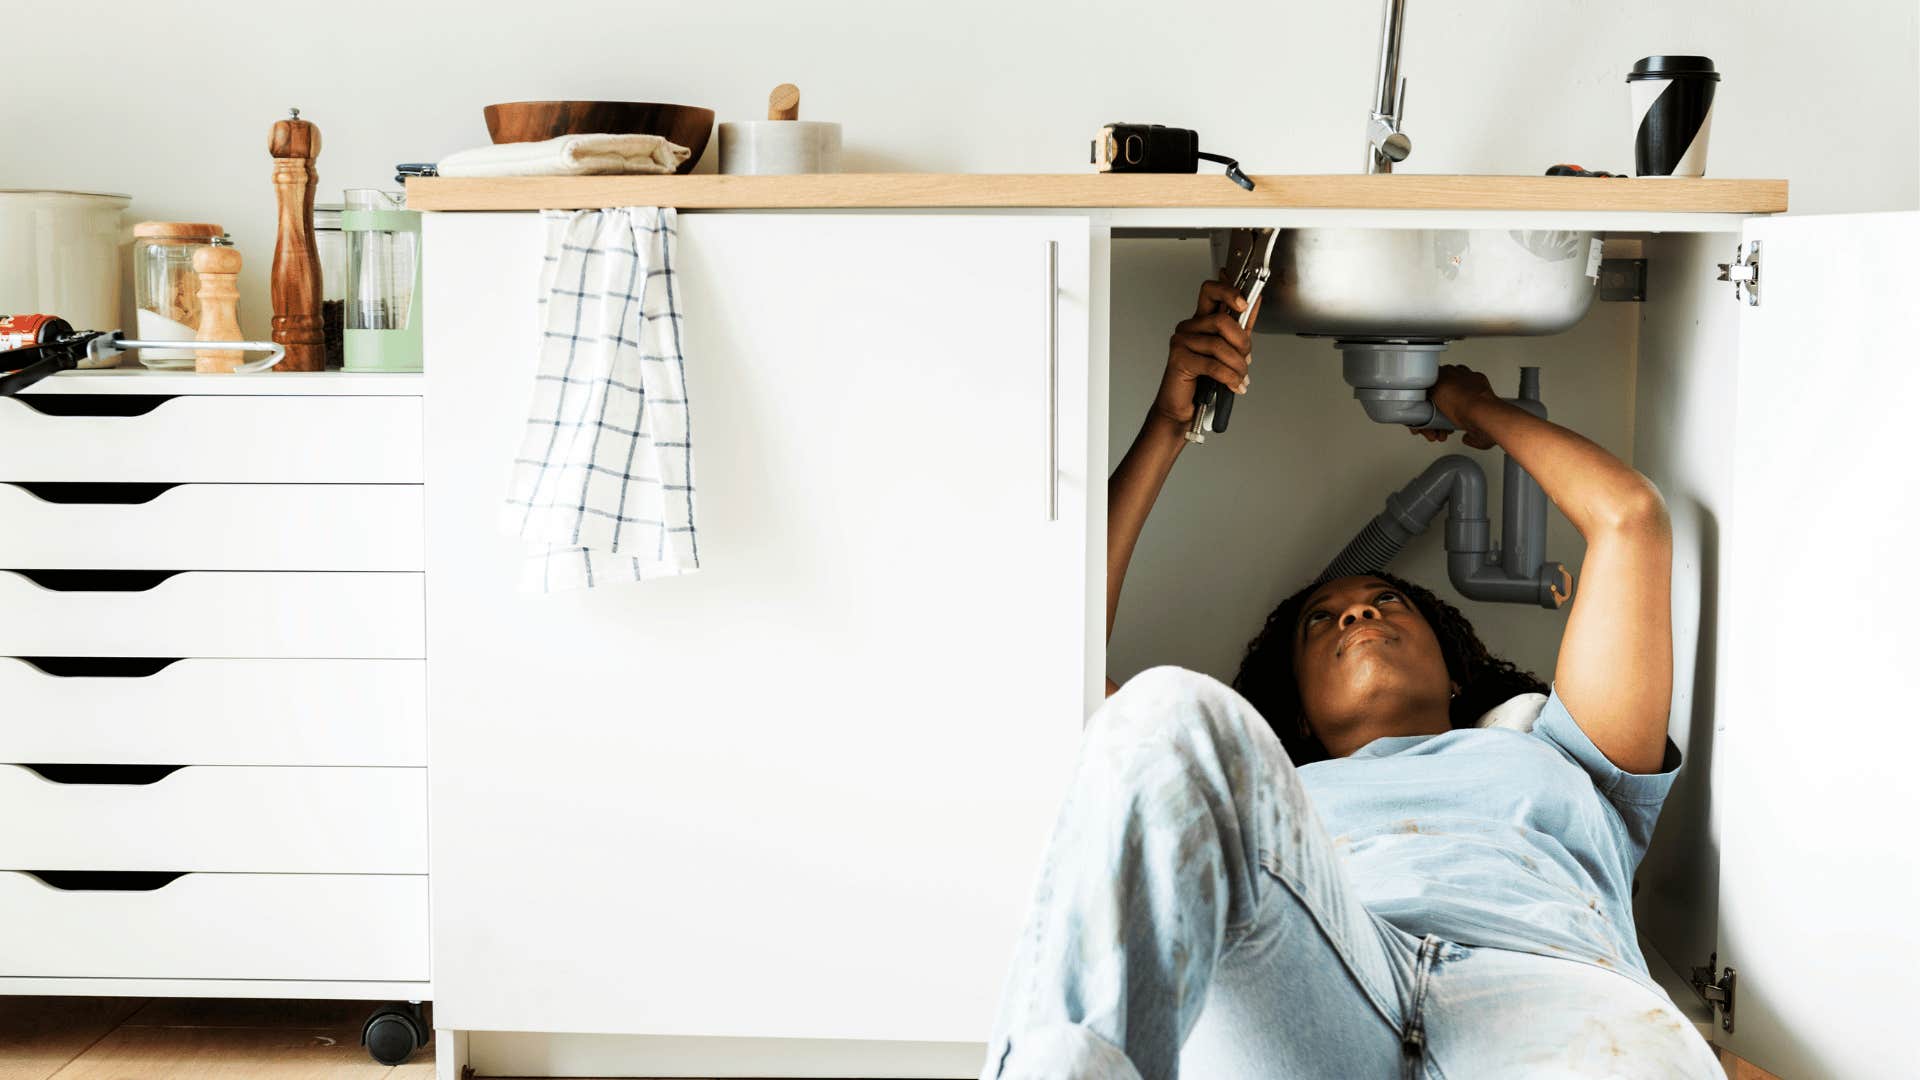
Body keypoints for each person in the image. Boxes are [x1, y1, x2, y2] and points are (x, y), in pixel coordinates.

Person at [980, 279, 1720, 1079]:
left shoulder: (1565, 754)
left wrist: (1472, 406)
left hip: (1549, 992)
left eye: (1385, 600)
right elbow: (1064, 672)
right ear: (1296, 716)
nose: (1358, 617)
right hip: (1315, 981)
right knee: (1165, 709)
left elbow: (1630, 521)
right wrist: (1168, 424)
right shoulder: (1272, 802)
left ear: (1453, 665)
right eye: (1322, 622)